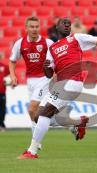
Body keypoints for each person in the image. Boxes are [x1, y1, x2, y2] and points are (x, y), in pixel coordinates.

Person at [18, 17, 97, 159]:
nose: (67, 25)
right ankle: (79, 122)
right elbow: (49, 74)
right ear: (57, 27)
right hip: (60, 84)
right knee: (38, 116)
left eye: (69, 24)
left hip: (72, 82)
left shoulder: (76, 38)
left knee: (43, 114)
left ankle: (32, 151)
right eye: (64, 23)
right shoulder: (52, 48)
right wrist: (46, 67)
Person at [9, 16, 54, 145]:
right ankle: (73, 125)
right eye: (32, 27)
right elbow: (12, 61)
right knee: (38, 114)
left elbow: (57, 59)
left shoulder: (48, 43)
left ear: (39, 27)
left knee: (31, 109)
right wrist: (13, 76)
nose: (34, 29)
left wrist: (56, 73)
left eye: (36, 26)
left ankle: (35, 143)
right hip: (30, 82)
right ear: (26, 28)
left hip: (45, 78)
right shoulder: (20, 43)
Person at [0, 55, 9, 131]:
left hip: (2, 91)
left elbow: (9, 77)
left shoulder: (4, 66)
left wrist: (10, 82)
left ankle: (2, 125)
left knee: (2, 109)